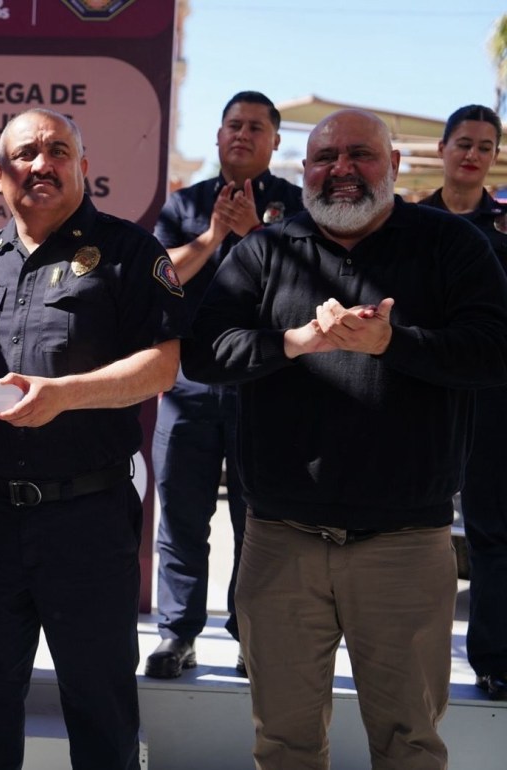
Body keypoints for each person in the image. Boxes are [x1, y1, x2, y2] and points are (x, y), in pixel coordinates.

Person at [182, 109, 507, 770]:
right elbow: (204, 353)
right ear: (305, 171)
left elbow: (494, 352)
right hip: (281, 542)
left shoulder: (451, 247)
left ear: (392, 165)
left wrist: (395, 343)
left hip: (406, 548)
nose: (342, 170)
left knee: (410, 745)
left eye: (360, 155)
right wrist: (292, 343)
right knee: (284, 746)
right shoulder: (265, 252)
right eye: (326, 157)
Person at [0, 108, 187, 770]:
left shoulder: (132, 252)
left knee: (99, 708)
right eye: (24, 154)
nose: (40, 165)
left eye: (57, 151)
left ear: (83, 165)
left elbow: (164, 365)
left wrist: (65, 397)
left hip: (87, 519)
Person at [146, 91, 303, 680]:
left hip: (263, 388)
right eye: (233, 125)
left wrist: (256, 233)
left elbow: (301, 285)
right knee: (181, 518)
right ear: (217, 137)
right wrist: (213, 237)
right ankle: (176, 635)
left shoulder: (296, 207)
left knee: (256, 522)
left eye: (256, 127)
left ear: (274, 143)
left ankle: (250, 637)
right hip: (187, 385)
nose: (242, 135)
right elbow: (159, 280)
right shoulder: (183, 205)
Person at [418, 104, 507, 701]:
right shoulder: (407, 221)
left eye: (485, 145)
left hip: (493, 396)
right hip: (418, 391)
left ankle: (495, 658)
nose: (473, 154)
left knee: (493, 531)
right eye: (464, 143)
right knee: (409, 530)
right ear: (444, 150)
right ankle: (405, 660)